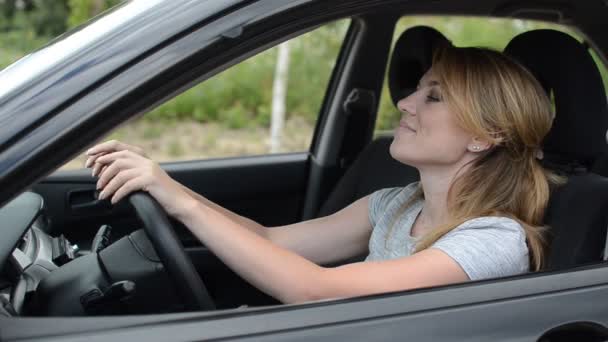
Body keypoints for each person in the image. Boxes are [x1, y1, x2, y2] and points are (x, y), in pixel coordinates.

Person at [84, 46, 563, 304]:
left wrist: (180, 201)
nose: (404, 103)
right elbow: (270, 240)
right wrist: (163, 184)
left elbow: (316, 289)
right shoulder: (396, 204)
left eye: (433, 97)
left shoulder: (492, 239)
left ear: (484, 136)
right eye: (417, 90)